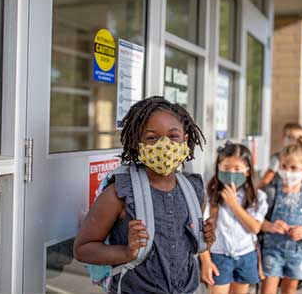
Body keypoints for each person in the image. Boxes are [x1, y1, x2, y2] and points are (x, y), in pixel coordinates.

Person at [73, 96, 215, 294]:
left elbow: (182, 245)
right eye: (151, 138)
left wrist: (204, 239)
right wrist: (126, 252)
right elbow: (82, 249)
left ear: (186, 139)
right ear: (137, 143)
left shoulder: (194, 189)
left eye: (173, 136)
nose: (164, 145)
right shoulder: (119, 192)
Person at [200, 142, 268, 294]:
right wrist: (206, 261)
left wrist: (233, 204)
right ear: (218, 169)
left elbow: (255, 228)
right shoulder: (209, 195)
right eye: (225, 168)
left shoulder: (257, 197)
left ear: (247, 171)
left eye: (237, 169)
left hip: (246, 255)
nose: (231, 173)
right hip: (219, 255)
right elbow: (202, 229)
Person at [260, 138, 302, 294]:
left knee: (289, 290)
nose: (288, 172)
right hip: (271, 250)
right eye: (284, 166)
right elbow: (256, 222)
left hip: (298, 252)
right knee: (267, 290)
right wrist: (270, 226)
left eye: (294, 168)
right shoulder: (270, 192)